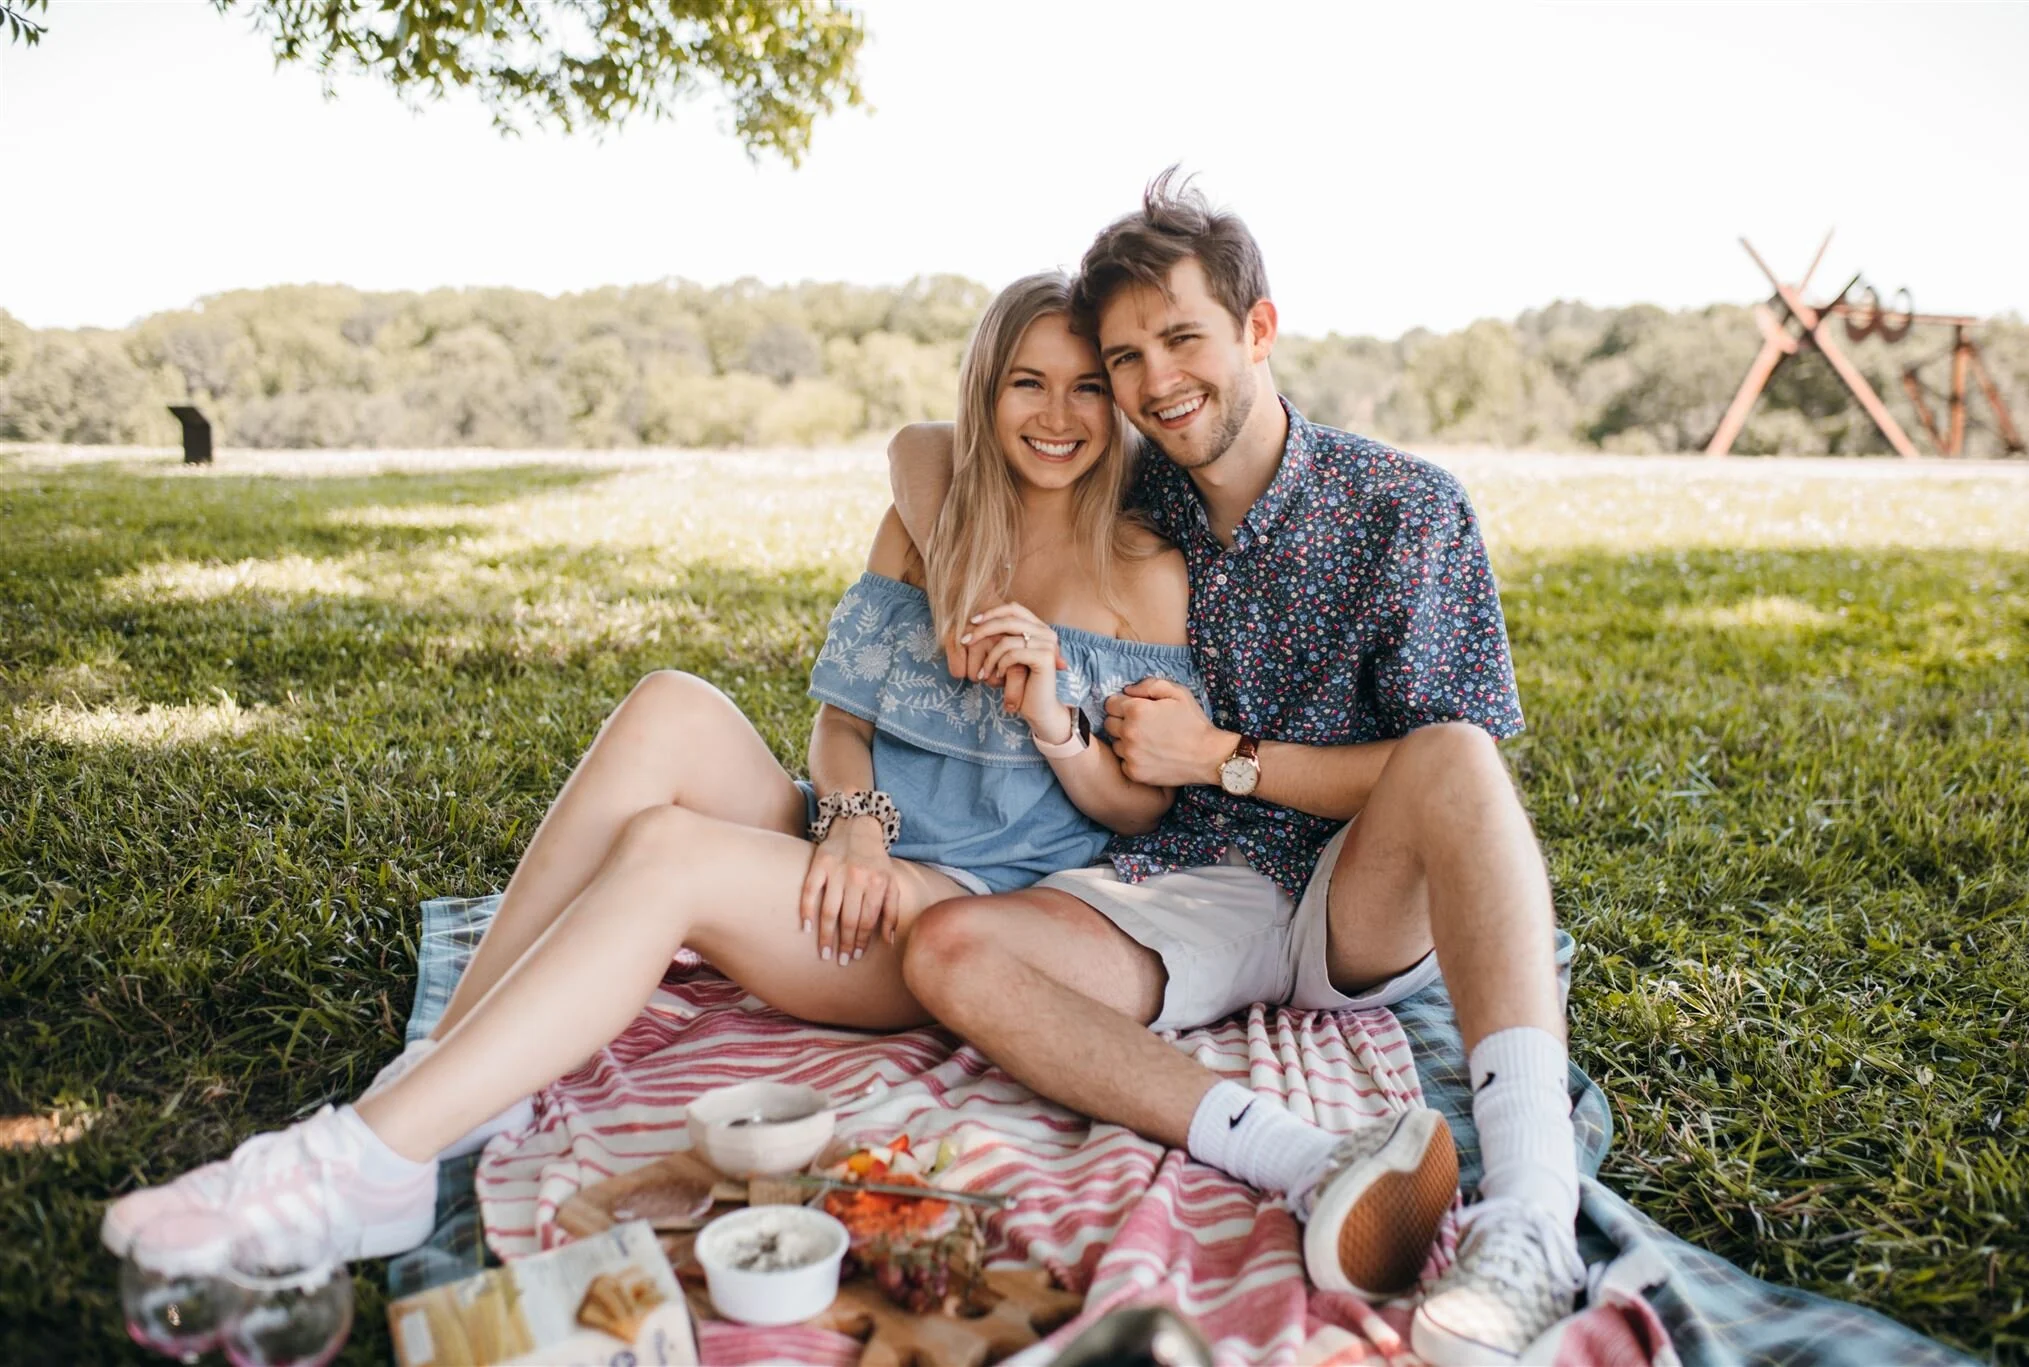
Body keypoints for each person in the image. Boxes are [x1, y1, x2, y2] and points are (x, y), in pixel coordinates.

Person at [97, 272, 1448, 1285]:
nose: (1057, 414)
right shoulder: (934, 509)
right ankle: (451, 1070)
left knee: (670, 853)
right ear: (988, 391)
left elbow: (1137, 806)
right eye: (1024, 383)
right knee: (673, 705)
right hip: (857, 848)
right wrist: (848, 818)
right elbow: (837, 716)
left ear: (1120, 400)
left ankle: (370, 1162)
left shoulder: (1149, 568)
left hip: (957, 897)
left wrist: (1050, 712)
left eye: (1087, 385)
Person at [886, 175, 1583, 1366]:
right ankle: (1309, 1163)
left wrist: (1226, 758)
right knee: (948, 948)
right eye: (1126, 358)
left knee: (1456, 757)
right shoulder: (1130, 482)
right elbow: (932, 450)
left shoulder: (1403, 510)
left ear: (1258, 330)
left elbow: (1443, 789)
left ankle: (1530, 1222)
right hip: (1168, 876)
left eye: (1181, 337)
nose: (1156, 381)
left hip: (1348, 894)